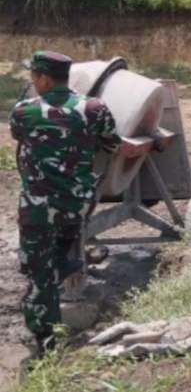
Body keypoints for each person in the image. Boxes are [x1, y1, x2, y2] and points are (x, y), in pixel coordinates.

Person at [9, 51, 121, 367]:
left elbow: (19, 135)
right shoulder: (94, 108)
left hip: (38, 210)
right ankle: (67, 264)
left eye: (33, 77)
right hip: (77, 206)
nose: (32, 82)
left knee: (38, 275)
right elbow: (112, 144)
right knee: (56, 253)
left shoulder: (25, 111)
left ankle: (46, 344)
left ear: (44, 79)